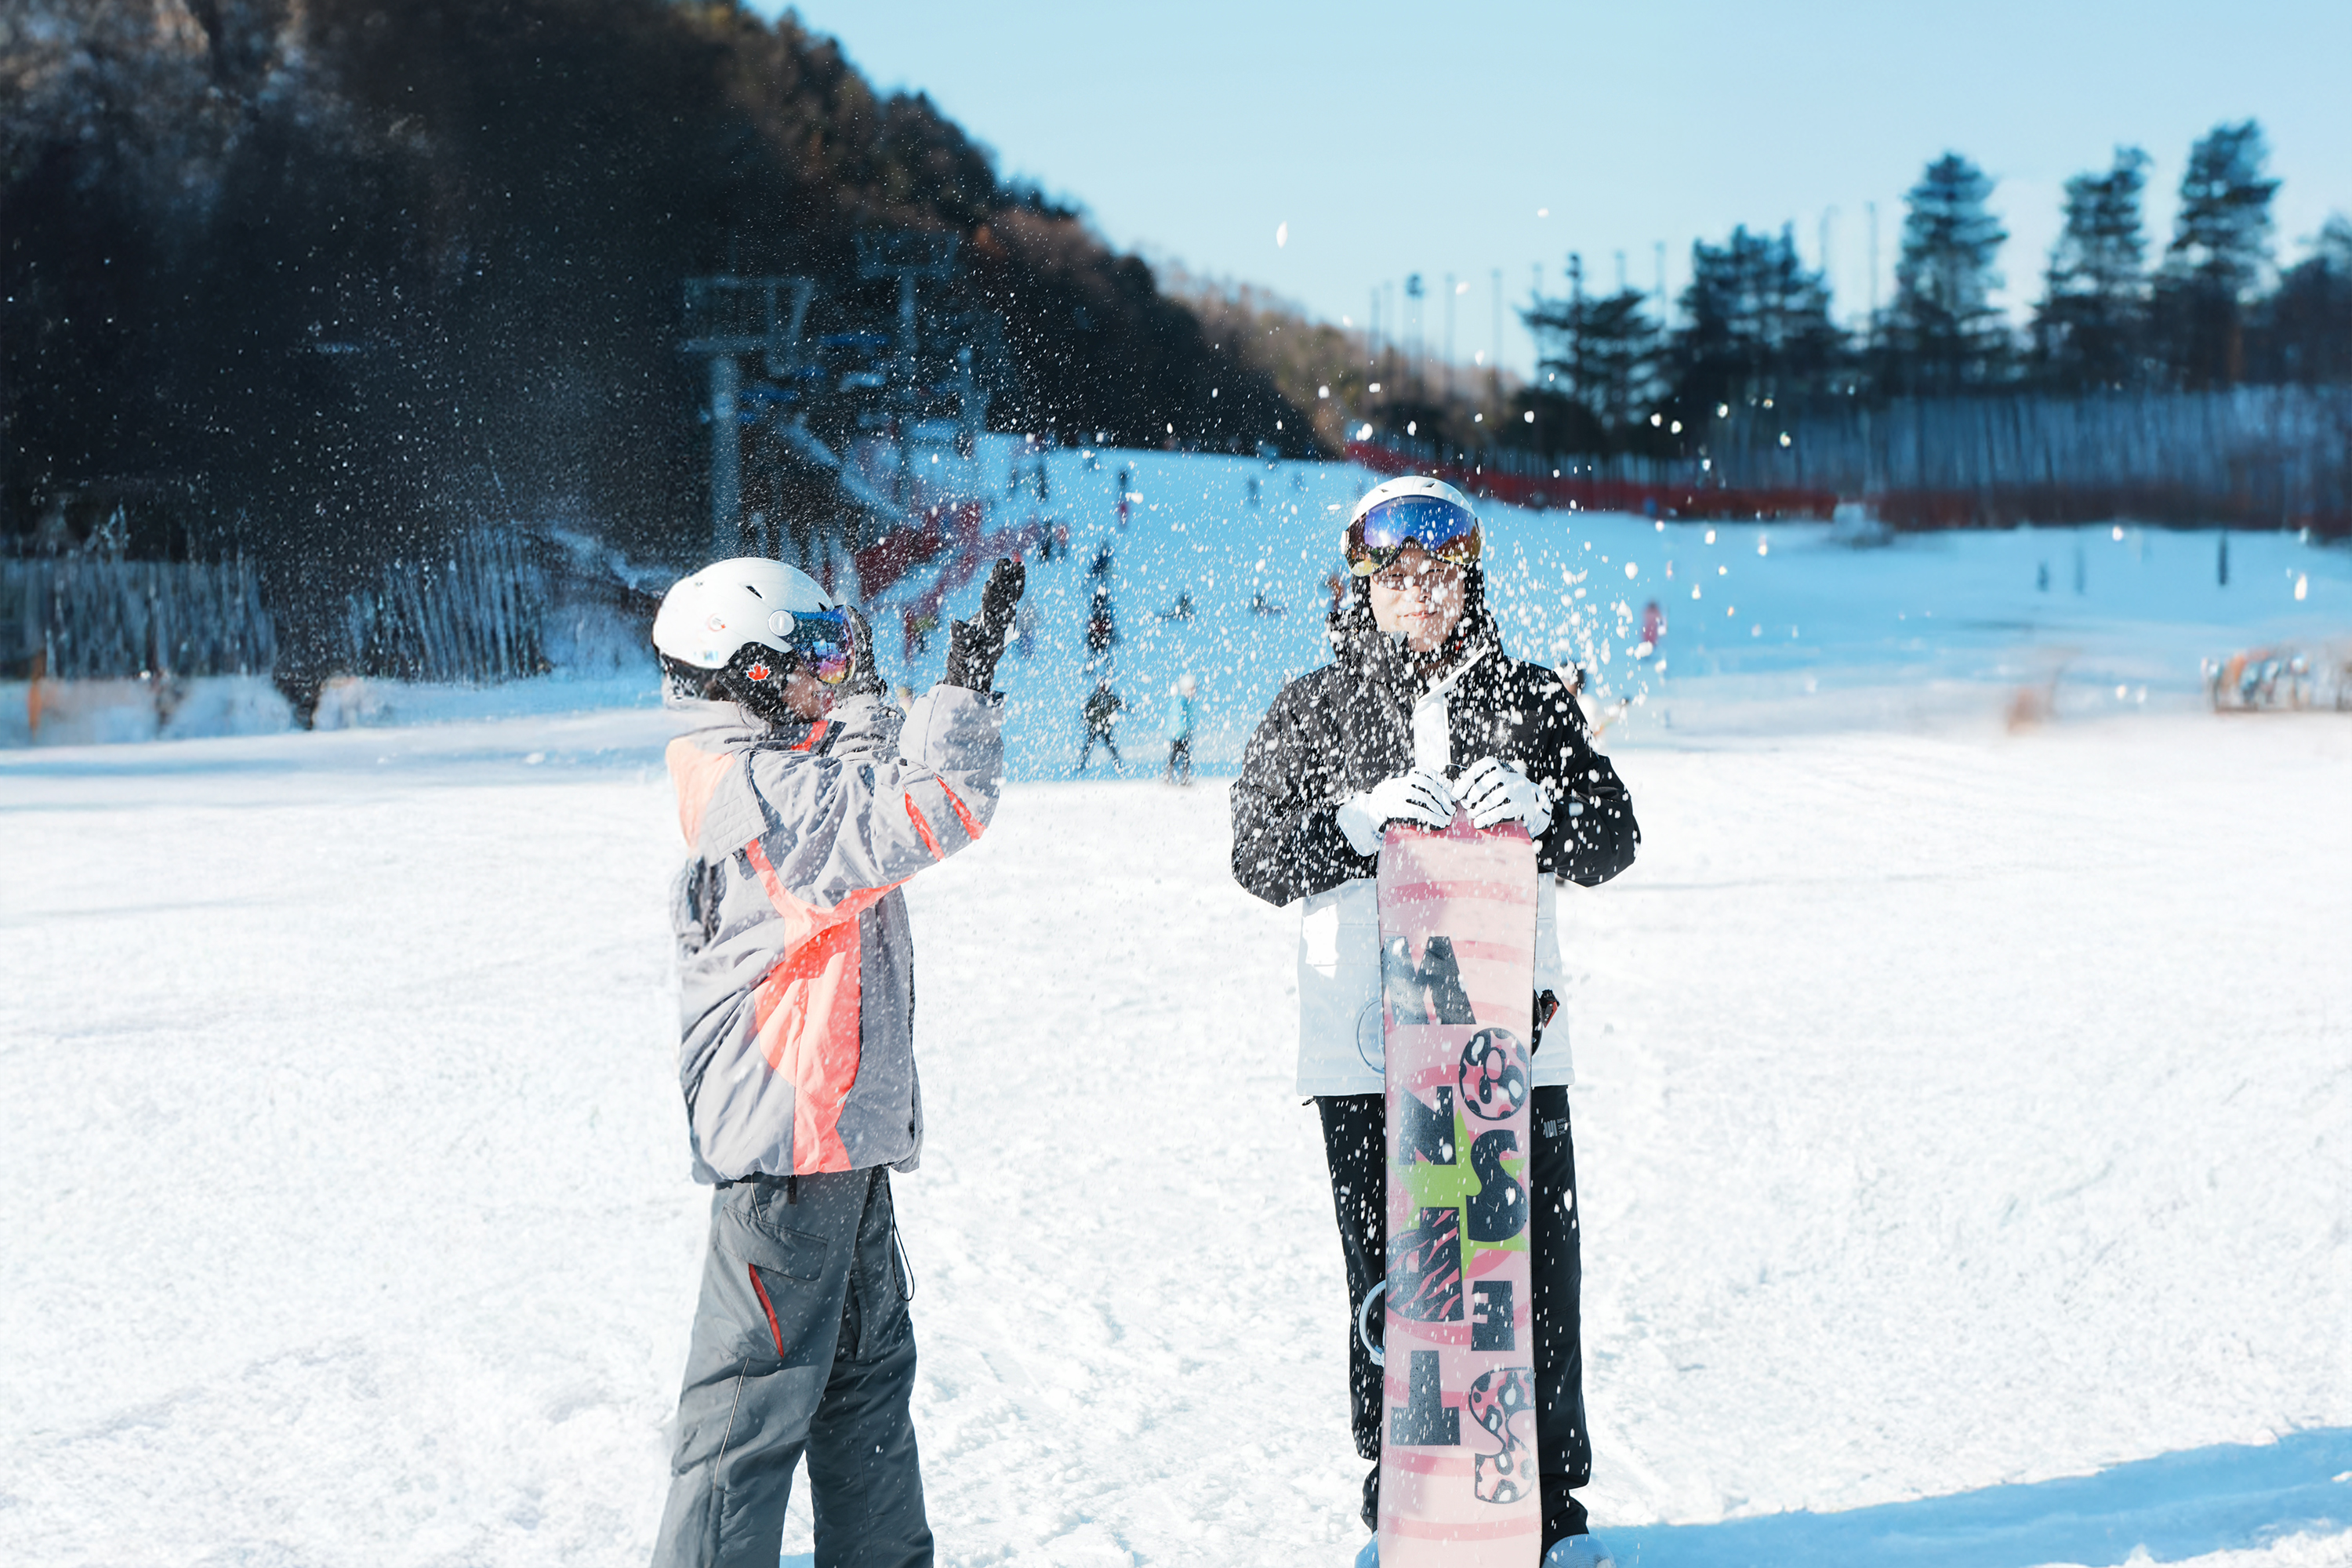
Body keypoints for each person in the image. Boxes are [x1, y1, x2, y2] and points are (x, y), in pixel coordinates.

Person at [1229, 477, 1639, 1568]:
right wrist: (1351, 826)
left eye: (1441, 575)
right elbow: (1256, 856)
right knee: (1394, 1290)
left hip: (1508, 1050)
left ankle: (1549, 1514)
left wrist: (1553, 814)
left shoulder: (1529, 698)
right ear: (1363, 585)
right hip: (1369, 1056)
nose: (1422, 595)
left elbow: (1615, 839)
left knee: (1527, 1281)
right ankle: (1399, 1505)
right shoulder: (1313, 709)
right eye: (1398, 577)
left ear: (1471, 581)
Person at [648, 554, 1025, 1568]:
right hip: (787, 1148)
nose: (835, 669)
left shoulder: (783, 770)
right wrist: (966, 683)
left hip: (837, 1142)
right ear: (745, 671)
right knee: (746, 1419)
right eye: (814, 655)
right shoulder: (757, 796)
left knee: (864, 1395)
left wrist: (869, 695)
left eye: (840, 650)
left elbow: (859, 775)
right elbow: (932, 803)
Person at [1076, 677, 1125, 774]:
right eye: (1101, 686)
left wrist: (1127, 709)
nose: (1102, 687)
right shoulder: (1096, 698)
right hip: (1095, 726)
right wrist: (1085, 718)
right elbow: (1087, 710)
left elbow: (1120, 704)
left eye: (1104, 686)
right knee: (1089, 745)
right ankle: (1082, 764)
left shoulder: (1110, 698)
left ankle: (1117, 764)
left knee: (1110, 745)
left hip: (1104, 727)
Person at [1163, 673, 1198, 786]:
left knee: (1181, 756)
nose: (1194, 692)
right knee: (1182, 756)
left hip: (1179, 733)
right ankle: (1175, 776)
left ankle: (1175, 776)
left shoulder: (1182, 701)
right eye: (1192, 689)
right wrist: (1185, 730)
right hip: (1179, 734)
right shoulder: (1181, 701)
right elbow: (1178, 717)